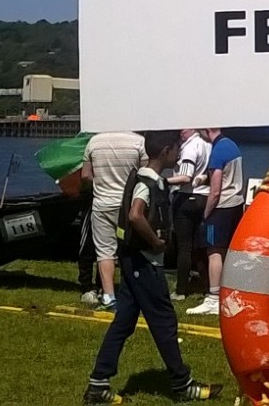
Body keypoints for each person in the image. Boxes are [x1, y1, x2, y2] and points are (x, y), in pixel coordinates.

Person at [83, 130, 218, 404]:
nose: (179, 153)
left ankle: (98, 384)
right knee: (164, 321)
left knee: (124, 322)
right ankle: (182, 384)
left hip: (134, 261)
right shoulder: (147, 182)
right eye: (177, 148)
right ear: (166, 151)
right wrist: (156, 243)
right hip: (144, 263)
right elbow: (135, 215)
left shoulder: (152, 179)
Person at [82, 130, 146, 311]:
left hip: (102, 203)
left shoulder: (94, 142)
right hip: (128, 204)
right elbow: (145, 174)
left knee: (104, 251)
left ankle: (108, 296)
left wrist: (95, 186)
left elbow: (86, 176)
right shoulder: (138, 142)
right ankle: (134, 290)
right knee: (131, 248)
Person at [186, 128, 245, 317]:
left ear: (206, 130)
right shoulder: (231, 145)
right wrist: (205, 177)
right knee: (227, 251)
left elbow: (216, 191)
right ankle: (229, 294)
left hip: (221, 207)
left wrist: (205, 214)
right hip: (236, 203)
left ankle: (213, 297)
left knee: (213, 252)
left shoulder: (217, 150)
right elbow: (227, 175)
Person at [165, 128, 212, 300]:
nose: (181, 131)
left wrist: (163, 181)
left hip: (186, 197)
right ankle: (208, 287)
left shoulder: (190, 147)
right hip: (204, 197)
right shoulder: (208, 145)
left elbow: (186, 177)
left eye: (184, 128)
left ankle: (181, 290)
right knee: (200, 246)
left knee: (184, 247)